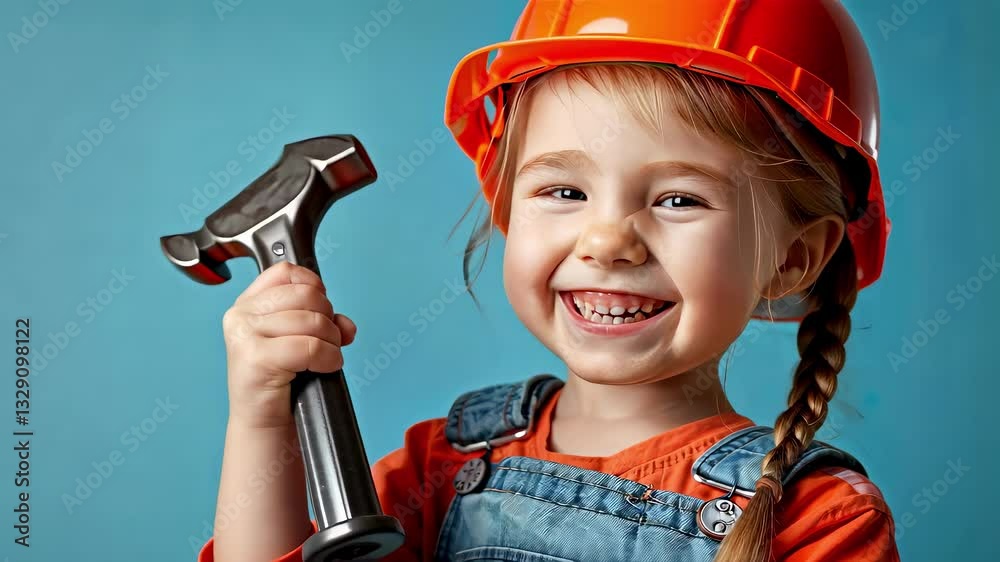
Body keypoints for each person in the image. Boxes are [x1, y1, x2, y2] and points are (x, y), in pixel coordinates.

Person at [198, 1, 900, 560]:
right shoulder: (443, 468)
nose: (607, 241)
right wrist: (262, 418)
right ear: (507, 206)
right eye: (564, 191)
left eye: (679, 199)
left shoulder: (818, 523)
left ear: (793, 257)